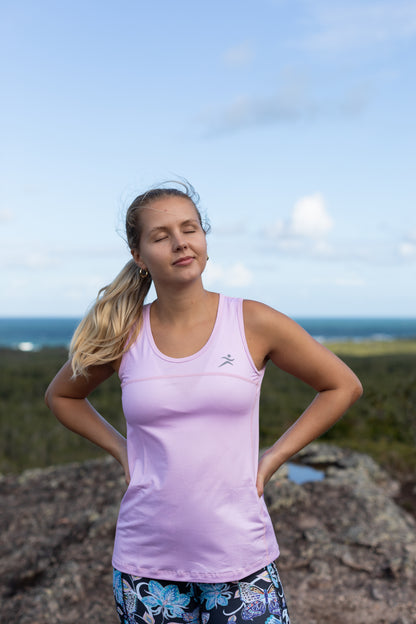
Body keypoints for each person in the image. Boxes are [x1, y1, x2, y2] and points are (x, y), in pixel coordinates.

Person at [45, 182, 362, 624]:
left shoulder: (252, 320)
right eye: (161, 235)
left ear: (205, 241)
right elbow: (62, 396)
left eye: (189, 229)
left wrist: (271, 458)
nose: (180, 242)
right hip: (146, 568)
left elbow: (342, 385)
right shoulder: (123, 333)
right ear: (139, 256)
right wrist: (122, 450)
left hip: (241, 560)